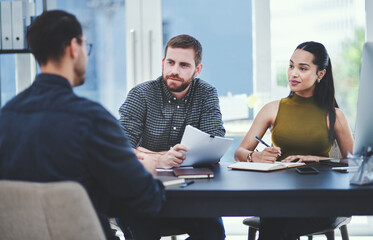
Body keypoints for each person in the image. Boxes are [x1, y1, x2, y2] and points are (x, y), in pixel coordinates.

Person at [0, 10, 165, 240]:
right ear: (73, 48)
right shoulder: (93, 120)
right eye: (85, 47)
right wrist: (147, 170)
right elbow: (147, 200)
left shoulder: (6, 117)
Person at [234, 41, 354, 240]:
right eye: (291, 66)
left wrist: (317, 159)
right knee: (277, 218)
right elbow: (240, 153)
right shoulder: (272, 109)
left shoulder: (335, 115)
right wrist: (257, 156)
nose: (293, 73)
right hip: (279, 196)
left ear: (320, 74)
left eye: (303, 68)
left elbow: (354, 163)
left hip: (321, 198)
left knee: (278, 224)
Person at [118, 34, 226, 239]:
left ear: (198, 69)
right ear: (163, 63)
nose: (174, 71)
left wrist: (145, 152)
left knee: (213, 234)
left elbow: (214, 144)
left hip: (192, 195)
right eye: (170, 62)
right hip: (143, 193)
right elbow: (120, 150)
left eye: (184, 65)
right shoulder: (141, 94)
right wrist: (160, 158)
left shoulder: (206, 94)